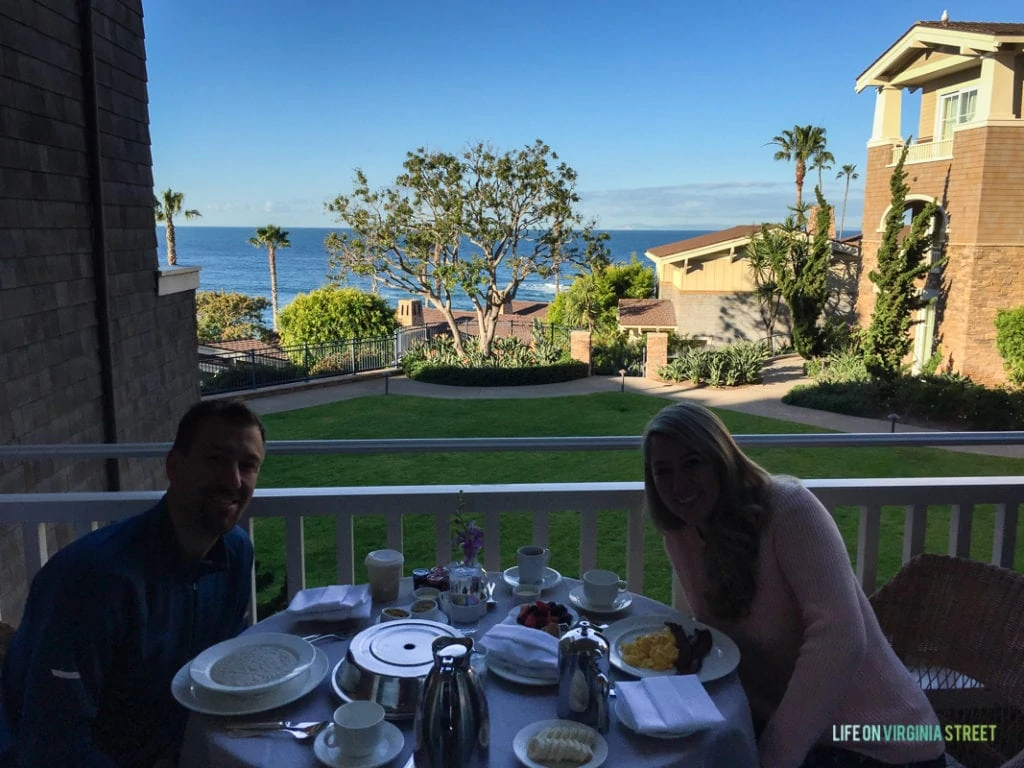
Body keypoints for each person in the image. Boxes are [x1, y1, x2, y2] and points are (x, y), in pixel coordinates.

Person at [641, 402, 945, 768]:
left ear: (721, 457)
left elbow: (841, 637)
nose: (679, 485)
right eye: (663, 472)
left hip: (879, 738)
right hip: (777, 720)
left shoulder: (788, 509)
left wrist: (775, 754)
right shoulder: (683, 532)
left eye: (692, 463)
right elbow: (717, 640)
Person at [0, 399, 266, 767]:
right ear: (175, 466)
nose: (233, 480)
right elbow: (52, 745)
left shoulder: (235, 554)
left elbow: (227, 655)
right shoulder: (91, 580)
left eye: (248, 466)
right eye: (216, 459)